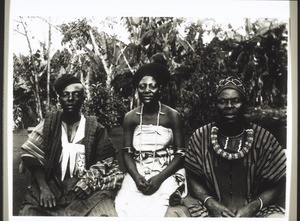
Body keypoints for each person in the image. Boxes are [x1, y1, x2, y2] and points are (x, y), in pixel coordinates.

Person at [19, 74, 124, 216]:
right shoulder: (49, 125)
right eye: (65, 95)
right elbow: (29, 154)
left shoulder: (95, 127)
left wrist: (89, 180)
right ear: (59, 99)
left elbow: (107, 159)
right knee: (29, 213)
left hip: (85, 190)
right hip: (52, 186)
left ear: (83, 99)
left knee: (106, 214)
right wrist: (43, 188)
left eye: (76, 95)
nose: (70, 99)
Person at [183, 76, 286, 218]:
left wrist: (253, 207)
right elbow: (192, 176)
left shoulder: (263, 138)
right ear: (215, 105)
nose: (229, 106)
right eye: (222, 101)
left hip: (257, 212)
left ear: (244, 103)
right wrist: (210, 202)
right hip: (208, 211)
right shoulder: (200, 137)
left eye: (236, 101)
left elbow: (279, 181)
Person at [114, 63, 189, 217]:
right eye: (142, 87)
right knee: (122, 205)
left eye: (152, 86)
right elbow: (127, 153)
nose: (147, 90)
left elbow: (180, 154)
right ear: (137, 90)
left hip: (165, 171)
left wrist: (159, 179)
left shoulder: (172, 115)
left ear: (159, 89)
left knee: (157, 210)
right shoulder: (130, 117)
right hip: (138, 170)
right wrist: (136, 177)